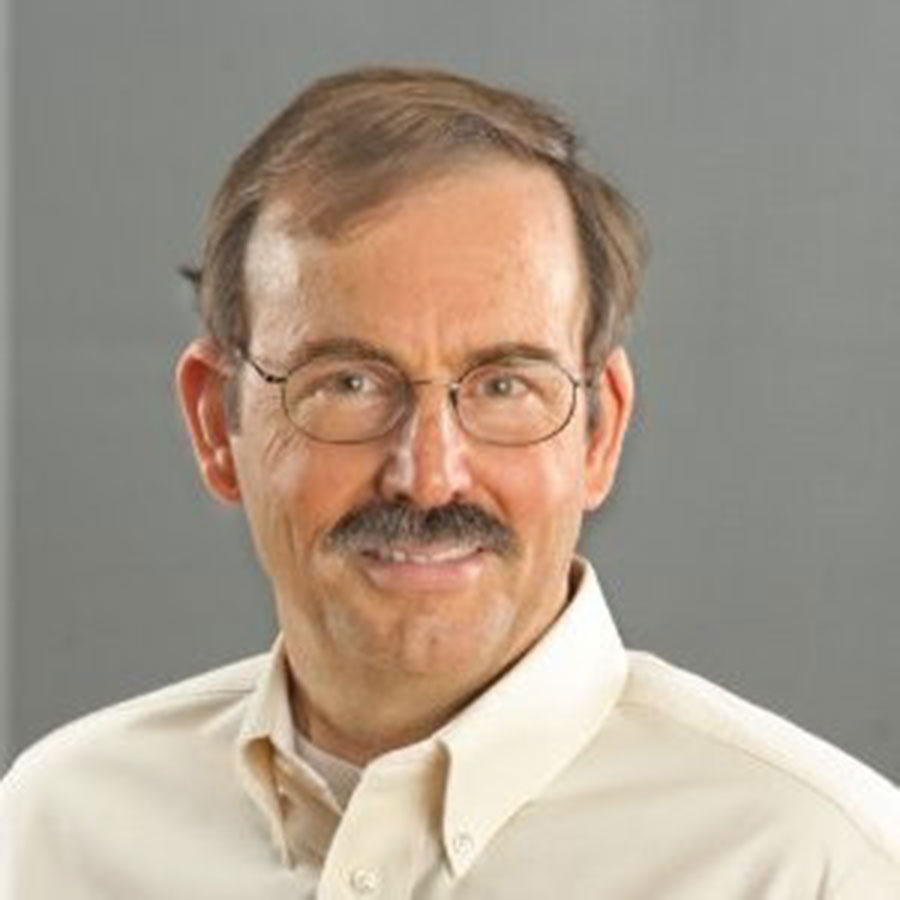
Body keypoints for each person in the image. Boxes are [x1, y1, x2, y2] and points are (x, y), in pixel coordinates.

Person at [1, 66, 898, 899]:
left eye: (505, 386)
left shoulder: (820, 865)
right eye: (349, 383)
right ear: (214, 424)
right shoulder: (51, 833)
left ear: (601, 430)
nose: (428, 478)